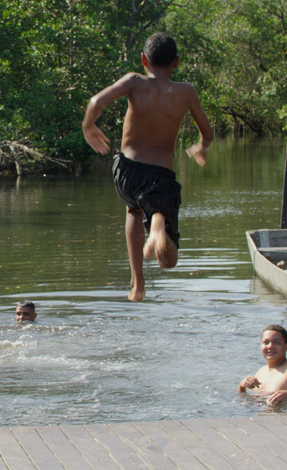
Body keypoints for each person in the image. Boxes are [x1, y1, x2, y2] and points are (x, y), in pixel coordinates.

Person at [81, 32, 214, 301]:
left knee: (132, 210)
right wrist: (202, 147)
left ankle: (137, 282)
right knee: (168, 260)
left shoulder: (134, 81)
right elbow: (207, 132)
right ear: (176, 62)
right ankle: (157, 224)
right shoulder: (185, 92)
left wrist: (88, 126)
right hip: (160, 176)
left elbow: (96, 101)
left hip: (126, 170)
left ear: (143, 60)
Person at [237, 324, 287, 406]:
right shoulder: (261, 371)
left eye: (276, 342)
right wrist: (242, 386)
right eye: (266, 342)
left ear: (286, 347)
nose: (270, 346)